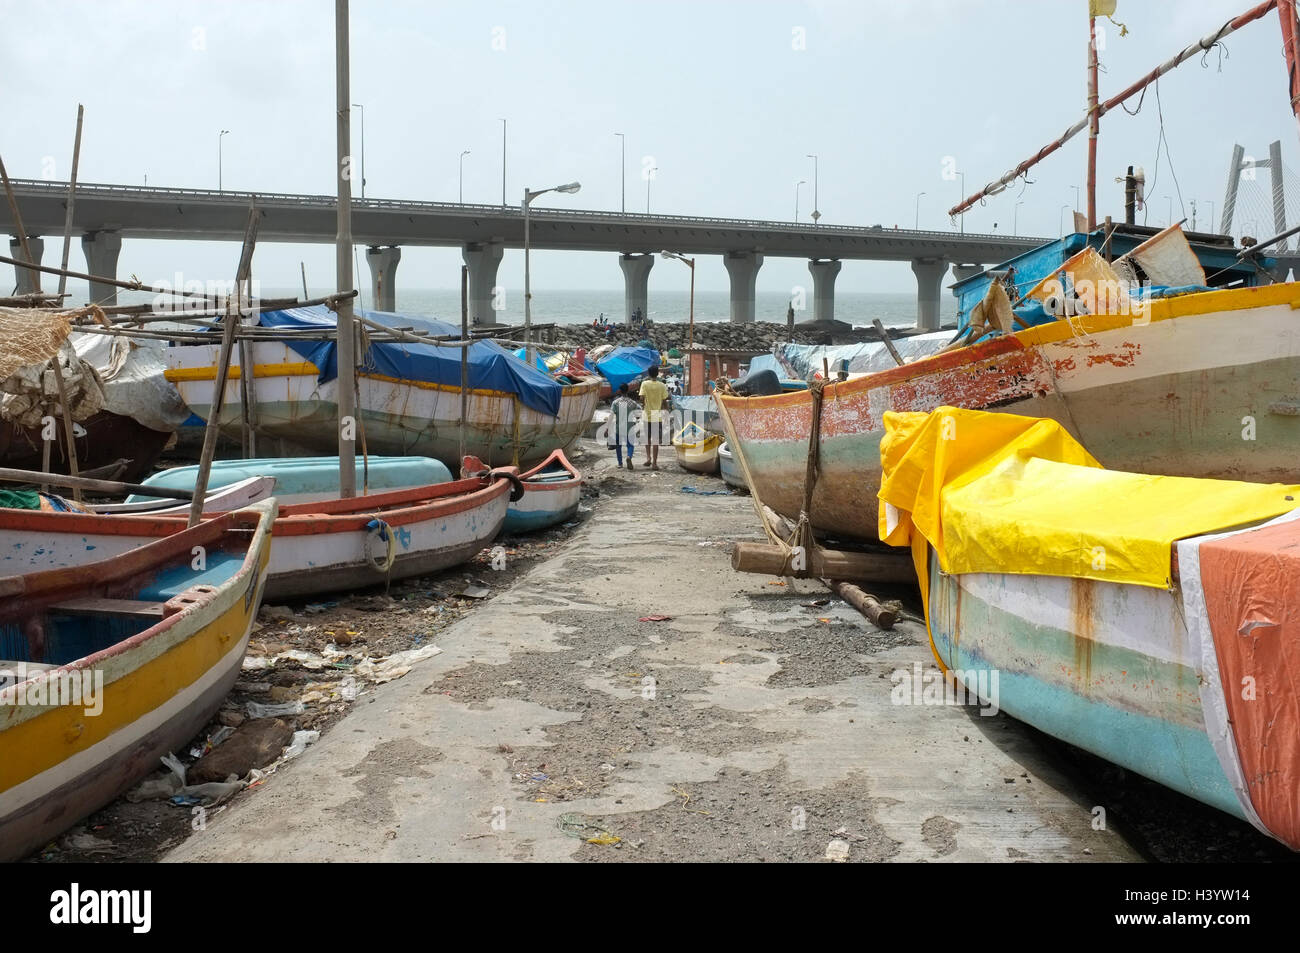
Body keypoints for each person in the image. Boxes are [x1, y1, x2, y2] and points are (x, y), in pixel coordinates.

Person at [638, 364, 670, 470]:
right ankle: (655, 463)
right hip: (657, 416)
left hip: (646, 415)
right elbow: (665, 401)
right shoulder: (662, 385)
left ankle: (648, 458)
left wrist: (644, 405)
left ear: (648, 373)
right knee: (655, 440)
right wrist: (666, 411)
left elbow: (641, 397)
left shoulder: (644, 384)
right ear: (657, 373)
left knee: (647, 439)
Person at [608, 383, 637, 470]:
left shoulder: (615, 402)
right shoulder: (633, 403)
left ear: (620, 391)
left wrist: (607, 427)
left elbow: (611, 416)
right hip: (630, 427)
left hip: (619, 428)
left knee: (618, 446)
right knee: (630, 445)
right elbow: (637, 413)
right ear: (627, 390)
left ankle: (620, 463)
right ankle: (629, 456)